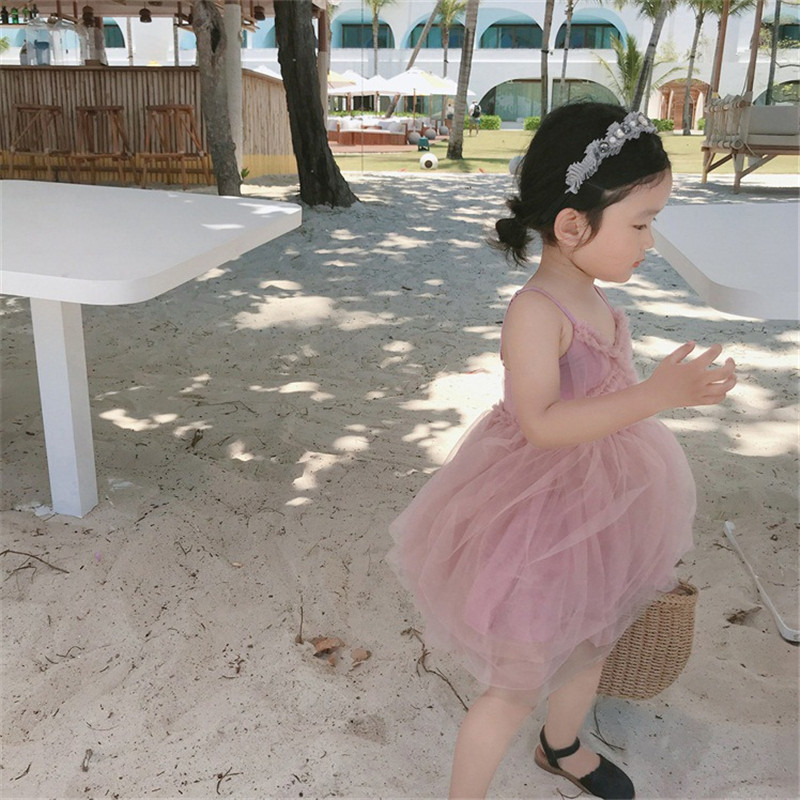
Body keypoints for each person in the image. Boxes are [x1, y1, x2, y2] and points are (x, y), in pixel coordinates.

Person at [388, 102, 736, 800]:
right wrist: (655, 396)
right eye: (639, 224)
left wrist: (660, 392)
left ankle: (562, 744)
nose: (649, 242)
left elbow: (605, 391)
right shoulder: (535, 311)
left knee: (592, 636)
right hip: (539, 510)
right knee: (516, 682)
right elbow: (542, 423)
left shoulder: (595, 294)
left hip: (604, 498)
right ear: (573, 226)